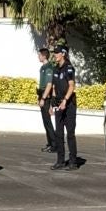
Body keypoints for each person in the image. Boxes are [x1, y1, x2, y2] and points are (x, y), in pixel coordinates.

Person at [50, 41, 79, 170]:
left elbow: (72, 86)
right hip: (58, 104)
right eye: (54, 53)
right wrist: (52, 103)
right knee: (59, 134)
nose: (55, 55)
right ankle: (60, 161)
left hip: (69, 105)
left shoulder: (69, 68)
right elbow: (54, 87)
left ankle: (73, 162)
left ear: (63, 54)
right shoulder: (55, 68)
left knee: (70, 134)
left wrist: (65, 101)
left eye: (57, 53)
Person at [36, 46, 56, 152]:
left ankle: (54, 144)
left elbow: (49, 84)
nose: (38, 57)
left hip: (46, 96)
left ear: (44, 56)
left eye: (39, 55)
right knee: (45, 121)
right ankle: (50, 143)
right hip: (42, 95)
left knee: (48, 121)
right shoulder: (42, 68)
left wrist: (43, 98)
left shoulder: (49, 67)